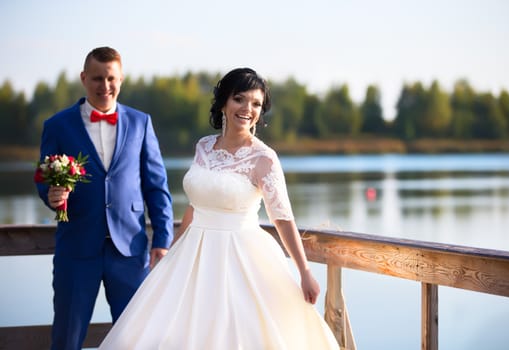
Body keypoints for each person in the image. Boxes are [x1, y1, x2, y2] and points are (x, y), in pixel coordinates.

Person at [98, 67, 339, 349]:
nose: (248, 109)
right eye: (240, 99)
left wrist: (304, 271)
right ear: (224, 102)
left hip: (241, 258)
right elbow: (194, 206)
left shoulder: (264, 158)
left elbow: (283, 219)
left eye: (256, 103)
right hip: (191, 255)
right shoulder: (204, 146)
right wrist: (173, 250)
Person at [35, 46, 174, 350]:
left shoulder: (141, 123)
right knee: (67, 337)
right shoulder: (57, 125)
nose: (105, 86)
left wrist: (163, 240)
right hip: (76, 249)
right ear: (84, 78)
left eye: (111, 78)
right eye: (97, 78)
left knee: (135, 338)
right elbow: (44, 178)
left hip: (131, 250)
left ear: (121, 79)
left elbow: (157, 186)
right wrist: (53, 195)